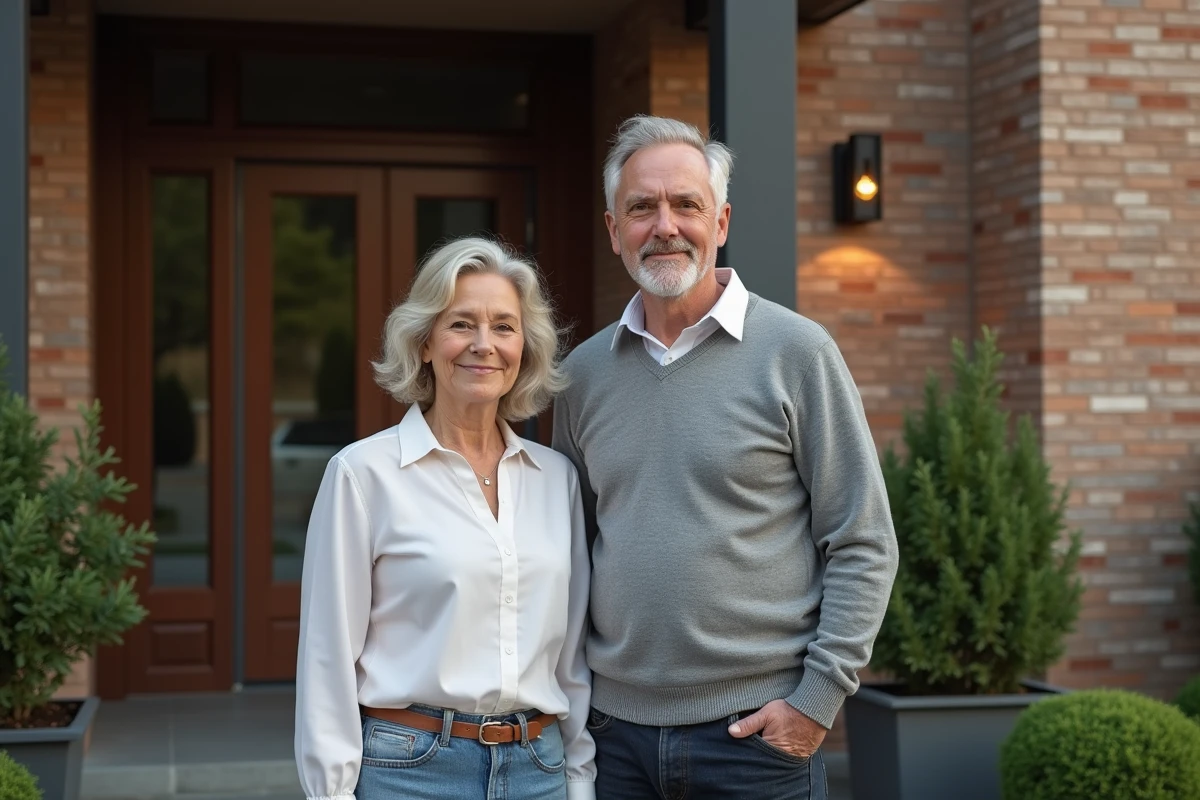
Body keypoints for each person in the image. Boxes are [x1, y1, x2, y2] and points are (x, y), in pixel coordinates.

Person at [551, 115, 899, 799]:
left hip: (756, 740)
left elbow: (863, 539)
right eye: (642, 207)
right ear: (613, 229)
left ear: (722, 221)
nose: (666, 225)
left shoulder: (797, 354)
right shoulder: (582, 375)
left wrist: (817, 700)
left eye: (687, 204)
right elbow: (567, 545)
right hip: (615, 739)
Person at [295, 236, 596, 800]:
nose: (484, 345)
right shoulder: (364, 474)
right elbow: (326, 657)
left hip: (540, 768)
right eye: (462, 324)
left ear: (524, 351)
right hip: (411, 771)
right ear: (425, 342)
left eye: (504, 327)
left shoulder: (556, 479)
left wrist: (578, 778)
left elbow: (570, 656)